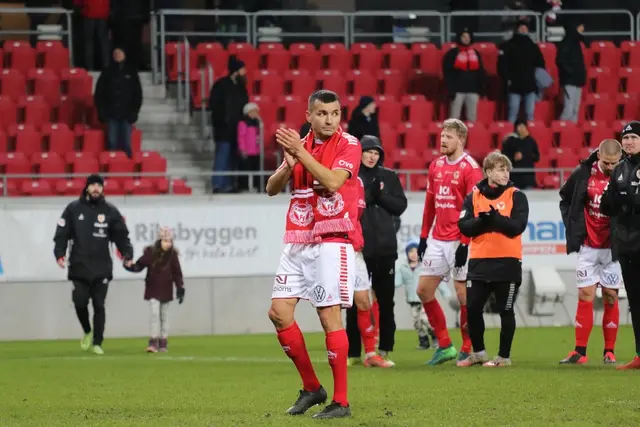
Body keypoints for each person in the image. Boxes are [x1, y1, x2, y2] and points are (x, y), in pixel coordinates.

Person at [265, 90, 362, 419]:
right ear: (309, 115)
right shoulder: (299, 145)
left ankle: (342, 401)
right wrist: (288, 166)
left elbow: (333, 181)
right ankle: (311, 387)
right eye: (322, 113)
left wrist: (301, 154)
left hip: (330, 238)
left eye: (335, 113)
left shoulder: (349, 144)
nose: (330, 119)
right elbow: (271, 188)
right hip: (297, 237)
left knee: (328, 318)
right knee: (278, 312)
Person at [417, 118, 484, 365]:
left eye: (448, 136)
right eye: (442, 135)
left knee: (463, 296)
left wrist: (465, 244)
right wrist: (424, 237)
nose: (443, 140)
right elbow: (429, 204)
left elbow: (474, 210)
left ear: (461, 140)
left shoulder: (471, 169)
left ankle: (467, 346)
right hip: (437, 238)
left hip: (459, 238)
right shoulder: (435, 165)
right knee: (423, 290)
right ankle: (445, 345)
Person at [457, 152, 529, 367]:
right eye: (500, 169)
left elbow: (517, 227)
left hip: (507, 262)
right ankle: (478, 353)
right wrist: (484, 221)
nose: (505, 173)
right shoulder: (473, 196)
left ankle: (503, 357)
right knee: (472, 308)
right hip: (479, 261)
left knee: (505, 310)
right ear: (488, 172)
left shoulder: (517, 195)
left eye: (506, 169)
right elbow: (464, 226)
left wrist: (494, 219)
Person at [558, 140, 624, 365]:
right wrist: (572, 225)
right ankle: (580, 352)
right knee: (585, 295)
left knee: (611, 297)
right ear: (599, 157)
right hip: (588, 246)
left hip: (613, 248)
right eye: (607, 163)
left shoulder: (626, 175)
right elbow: (565, 198)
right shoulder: (583, 172)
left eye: (615, 163)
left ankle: (609, 351)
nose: (610, 167)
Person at [53, 174, 133, 355]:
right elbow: (61, 234)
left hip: (102, 268)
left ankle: (98, 342)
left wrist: (127, 254)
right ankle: (87, 330)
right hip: (79, 266)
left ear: (103, 188)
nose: (96, 188)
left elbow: (122, 236)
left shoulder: (111, 211)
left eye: (99, 185)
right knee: (79, 302)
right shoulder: (73, 209)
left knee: (99, 305)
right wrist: (60, 254)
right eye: (93, 185)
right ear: (87, 187)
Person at [353, 135, 407, 364]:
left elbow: (400, 206)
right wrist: (370, 195)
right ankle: (354, 351)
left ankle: (385, 348)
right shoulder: (351, 177)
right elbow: (354, 207)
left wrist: (381, 195)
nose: (372, 156)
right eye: (368, 151)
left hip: (385, 248)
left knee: (386, 301)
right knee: (355, 301)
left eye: (376, 152)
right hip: (360, 249)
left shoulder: (389, 176)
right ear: (360, 153)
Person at [601, 121, 640, 370]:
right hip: (627, 245)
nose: (628, 142)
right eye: (626, 138)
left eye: (634, 137)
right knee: (635, 301)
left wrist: (628, 201)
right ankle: (639, 354)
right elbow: (606, 205)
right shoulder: (620, 169)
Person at [345, 176, 393, 368]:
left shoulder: (358, 182)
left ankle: (371, 353)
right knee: (333, 304)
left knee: (364, 301)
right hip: (334, 246)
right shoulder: (331, 177)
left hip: (355, 250)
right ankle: (339, 352)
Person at [124, 226, 185, 353]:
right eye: (166, 240)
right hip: (153, 288)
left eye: (170, 241)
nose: (168, 244)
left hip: (166, 289)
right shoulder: (150, 253)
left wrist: (180, 288)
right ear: (160, 240)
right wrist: (129, 266)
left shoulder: (172, 255)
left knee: (164, 316)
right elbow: (139, 265)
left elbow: (177, 272)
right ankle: (153, 342)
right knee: (154, 315)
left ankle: (163, 342)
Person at [209, 57, 249, 193]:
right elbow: (214, 106)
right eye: (243, 70)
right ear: (236, 71)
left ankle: (230, 185)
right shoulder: (220, 85)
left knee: (233, 159)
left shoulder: (241, 88)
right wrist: (221, 122)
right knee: (222, 157)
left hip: (237, 130)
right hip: (223, 130)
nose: (245, 73)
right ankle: (218, 185)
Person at [94, 48, 143, 159]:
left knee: (126, 144)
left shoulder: (131, 72)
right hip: (111, 115)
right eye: (115, 53)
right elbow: (99, 94)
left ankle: (127, 170)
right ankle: (112, 170)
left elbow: (137, 95)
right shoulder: (107, 72)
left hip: (127, 115)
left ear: (124, 54)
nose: (117, 55)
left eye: (120, 52)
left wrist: (134, 112)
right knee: (112, 143)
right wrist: (102, 113)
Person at [395, 240, 443, 350]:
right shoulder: (403, 268)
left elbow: (432, 278)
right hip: (412, 301)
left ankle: (435, 337)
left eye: (416, 251)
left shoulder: (423, 267)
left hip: (423, 299)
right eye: (410, 251)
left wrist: (444, 290)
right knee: (417, 322)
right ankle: (424, 342)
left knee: (425, 319)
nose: (413, 254)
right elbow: (397, 281)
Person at [498, 20, 545, 122]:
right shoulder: (508, 45)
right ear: (517, 29)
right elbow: (502, 65)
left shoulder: (533, 46)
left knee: (530, 115)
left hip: (530, 86)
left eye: (525, 27)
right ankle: (511, 136)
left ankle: (529, 136)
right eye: (521, 27)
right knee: (512, 114)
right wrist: (508, 79)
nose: (523, 29)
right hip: (514, 86)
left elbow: (540, 64)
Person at [442, 28, 485, 122]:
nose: (466, 39)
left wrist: (481, 89)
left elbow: (480, 72)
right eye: (464, 36)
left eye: (468, 37)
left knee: (472, 117)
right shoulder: (452, 54)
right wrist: (450, 89)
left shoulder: (476, 53)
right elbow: (447, 73)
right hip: (457, 91)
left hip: (473, 90)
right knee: (454, 117)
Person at [556, 20, 586, 123]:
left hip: (577, 80)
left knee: (574, 110)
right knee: (568, 110)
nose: (583, 28)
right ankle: (559, 131)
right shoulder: (567, 41)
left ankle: (571, 134)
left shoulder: (577, 42)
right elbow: (560, 60)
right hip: (570, 81)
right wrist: (571, 73)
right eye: (581, 26)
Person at [501, 120, 540, 189]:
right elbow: (504, 157)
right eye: (519, 126)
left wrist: (525, 155)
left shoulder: (531, 141)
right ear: (516, 128)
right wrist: (514, 159)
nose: (521, 128)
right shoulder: (510, 141)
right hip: (514, 178)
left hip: (528, 178)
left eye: (523, 126)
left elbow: (537, 157)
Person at [237, 102, 263, 192]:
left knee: (256, 170)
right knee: (245, 170)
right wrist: (242, 149)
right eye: (254, 112)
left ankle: (256, 187)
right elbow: (241, 137)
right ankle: (244, 187)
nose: (256, 114)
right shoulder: (243, 123)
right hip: (246, 152)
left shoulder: (257, 123)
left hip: (256, 151)